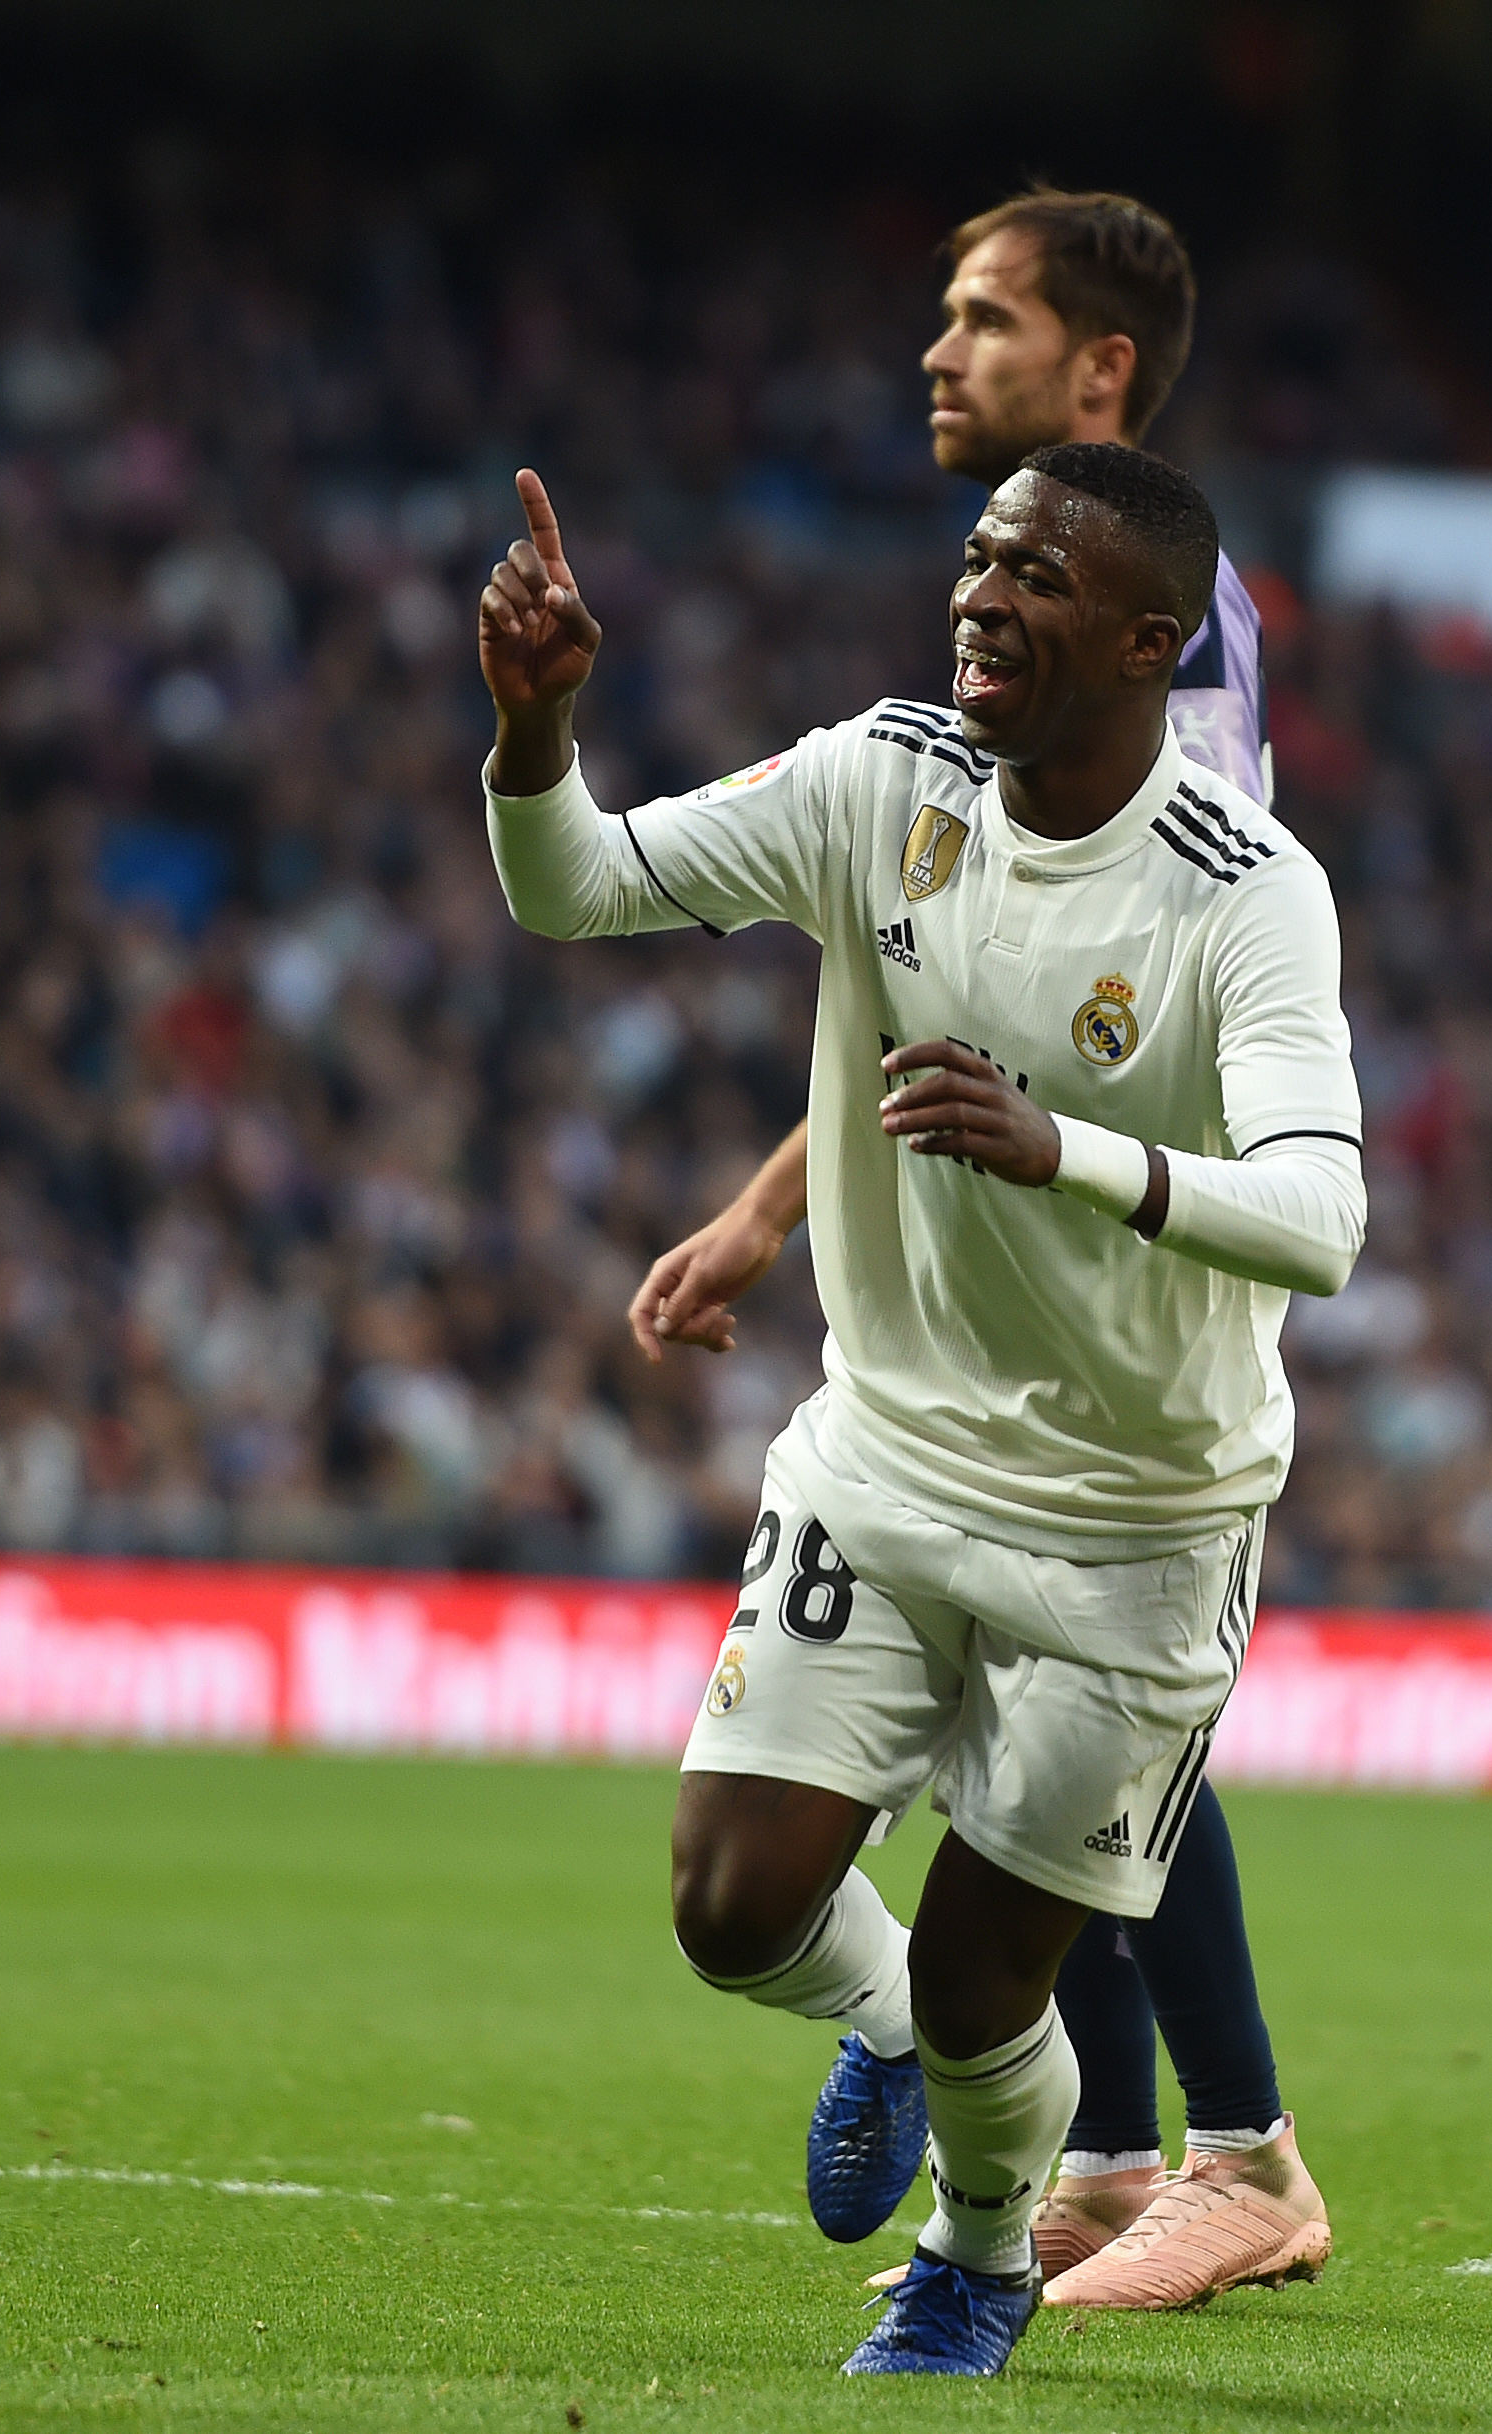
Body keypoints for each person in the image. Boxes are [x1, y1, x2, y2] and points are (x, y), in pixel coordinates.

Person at [476, 443, 1361, 2374]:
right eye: (976, 557)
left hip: (1141, 1519)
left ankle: (975, 2251)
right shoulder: (882, 779)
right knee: (729, 1903)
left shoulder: (1245, 892)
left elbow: (1322, 1215)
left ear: (1148, 639)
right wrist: (536, 736)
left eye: (1035, 574)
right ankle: (881, 2036)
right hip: (883, 1454)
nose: (981, 592)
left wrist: (1072, 1148)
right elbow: (579, 889)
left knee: (988, 1978)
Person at [624, 188, 1330, 2314]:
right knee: (1036, 1768)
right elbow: (958, 967)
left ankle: (1217, 2148)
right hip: (1006, 1306)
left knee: (1080, 1739)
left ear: (1099, 374)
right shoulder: (1052, 610)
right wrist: (773, 1201)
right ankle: (1126, 2142)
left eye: (983, 320)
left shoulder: (1160, 649)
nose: (934, 353)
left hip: (1124, 1314)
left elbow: (1064, 992)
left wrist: (799, 1196)